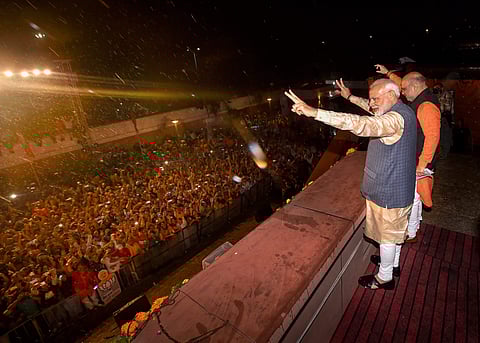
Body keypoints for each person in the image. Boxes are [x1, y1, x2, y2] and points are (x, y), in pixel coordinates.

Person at [285, 78, 417, 290]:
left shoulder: (393, 120)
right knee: (393, 234)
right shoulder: (402, 110)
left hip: (389, 191)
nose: (372, 103)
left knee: (388, 236)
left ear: (392, 95)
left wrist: (315, 113)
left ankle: (385, 278)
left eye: (376, 98)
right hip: (397, 187)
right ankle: (392, 265)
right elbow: (369, 109)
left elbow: (360, 124)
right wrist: (349, 97)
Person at [375, 65, 441, 242]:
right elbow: (405, 82)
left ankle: (410, 233)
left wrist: (422, 163)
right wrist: (388, 73)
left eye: (404, 90)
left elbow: (433, 137)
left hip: (421, 161)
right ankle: (414, 228)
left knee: (412, 197)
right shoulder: (421, 94)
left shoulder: (426, 106)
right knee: (417, 195)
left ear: (415, 87)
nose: (402, 93)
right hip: (420, 160)